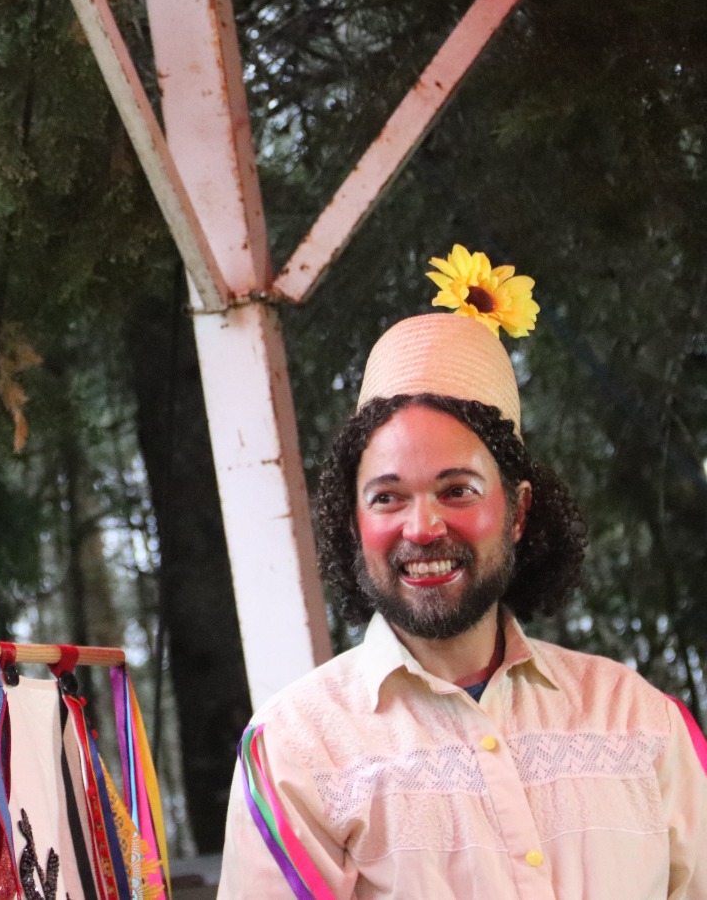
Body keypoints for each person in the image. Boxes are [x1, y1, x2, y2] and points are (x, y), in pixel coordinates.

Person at [217, 249, 707, 898]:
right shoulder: (295, 753)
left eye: (458, 489)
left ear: (519, 510)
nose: (422, 528)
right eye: (388, 496)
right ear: (352, 521)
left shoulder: (641, 722)